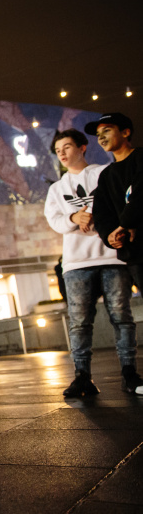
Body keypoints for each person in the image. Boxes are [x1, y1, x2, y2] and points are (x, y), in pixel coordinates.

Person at [45, 128, 140, 397]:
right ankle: (82, 377)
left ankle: (130, 374)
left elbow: (125, 203)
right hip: (76, 262)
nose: (62, 153)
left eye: (67, 147)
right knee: (79, 322)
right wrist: (74, 219)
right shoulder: (56, 189)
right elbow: (54, 220)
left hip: (112, 256)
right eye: (58, 150)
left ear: (82, 147)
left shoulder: (104, 173)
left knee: (122, 318)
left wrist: (103, 218)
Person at [87, 113, 143, 394]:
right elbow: (102, 213)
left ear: (126, 131)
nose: (101, 137)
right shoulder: (107, 176)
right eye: (98, 134)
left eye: (107, 130)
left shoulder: (141, 159)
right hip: (135, 255)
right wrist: (111, 235)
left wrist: (126, 224)